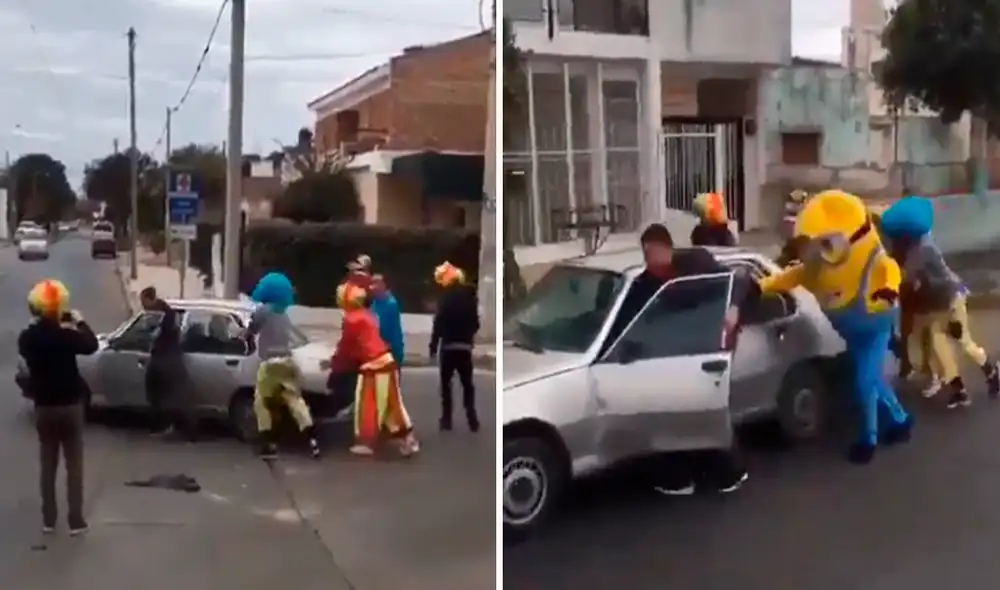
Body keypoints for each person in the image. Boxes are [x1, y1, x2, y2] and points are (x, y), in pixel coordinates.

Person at [758, 190, 912, 464]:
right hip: (852, 333)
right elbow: (787, 277)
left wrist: (887, 291)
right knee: (872, 380)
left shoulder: (871, 257)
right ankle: (900, 421)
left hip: (874, 327)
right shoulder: (814, 269)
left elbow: (890, 270)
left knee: (865, 382)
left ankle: (869, 439)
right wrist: (758, 287)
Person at [611, 223, 753, 496]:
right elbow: (629, 315)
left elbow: (739, 279)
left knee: (706, 412)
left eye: (652, 253)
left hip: (708, 348)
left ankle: (728, 473)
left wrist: (733, 308)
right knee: (678, 415)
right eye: (645, 254)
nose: (649, 260)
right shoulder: (645, 282)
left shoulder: (694, 262)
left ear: (667, 248)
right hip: (673, 354)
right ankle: (681, 476)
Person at [878, 196, 1000, 408]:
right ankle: (959, 390)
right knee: (939, 344)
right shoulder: (921, 240)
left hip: (951, 300)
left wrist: (908, 280)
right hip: (938, 303)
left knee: (964, 342)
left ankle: (991, 370)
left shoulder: (920, 250)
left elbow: (910, 278)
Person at [19, 279, 99, 536]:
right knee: (74, 465)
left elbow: (30, 338)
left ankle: (49, 520)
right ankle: (76, 521)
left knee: (48, 464)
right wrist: (79, 321)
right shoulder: (68, 336)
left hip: (44, 407)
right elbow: (91, 345)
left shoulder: (28, 339)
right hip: (71, 405)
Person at [330, 280, 418, 456]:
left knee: (367, 404)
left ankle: (366, 443)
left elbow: (346, 347)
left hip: (372, 366)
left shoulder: (351, 319)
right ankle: (408, 439)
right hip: (387, 361)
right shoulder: (367, 314)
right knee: (392, 403)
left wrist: (334, 365)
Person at [245, 272, 320, 459]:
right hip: (287, 362)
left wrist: (244, 335)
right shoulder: (283, 313)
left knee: (261, 402)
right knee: (295, 401)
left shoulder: (263, 311)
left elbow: (250, 331)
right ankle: (313, 441)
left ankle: (268, 444)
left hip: (269, 365)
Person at [429, 261, 481, 432]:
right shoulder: (470, 299)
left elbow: (438, 324)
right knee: (467, 385)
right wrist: (467, 336)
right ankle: (472, 419)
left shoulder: (445, 299)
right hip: (464, 347)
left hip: (448, 347)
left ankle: (446, 419)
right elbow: (476, 324)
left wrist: (433, 346)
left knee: (446, 385)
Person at [138, 286, 191, 438]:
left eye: (143, 301)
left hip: (165, 359)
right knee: (164, 395)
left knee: (161, 395)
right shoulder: (164, 312)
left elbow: (157, 335)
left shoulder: (162, 315)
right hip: (166, 358)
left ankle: (166, 426)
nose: (143, 305)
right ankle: (171, 426)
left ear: (150, 299)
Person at [369, 274, 405, 373]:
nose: (374, 287)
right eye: (372, 283)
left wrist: (396, 353)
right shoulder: (372, 303)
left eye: (377, 283)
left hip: (389, 351)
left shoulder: (391, 304)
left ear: (384, 285)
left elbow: (395, 330)